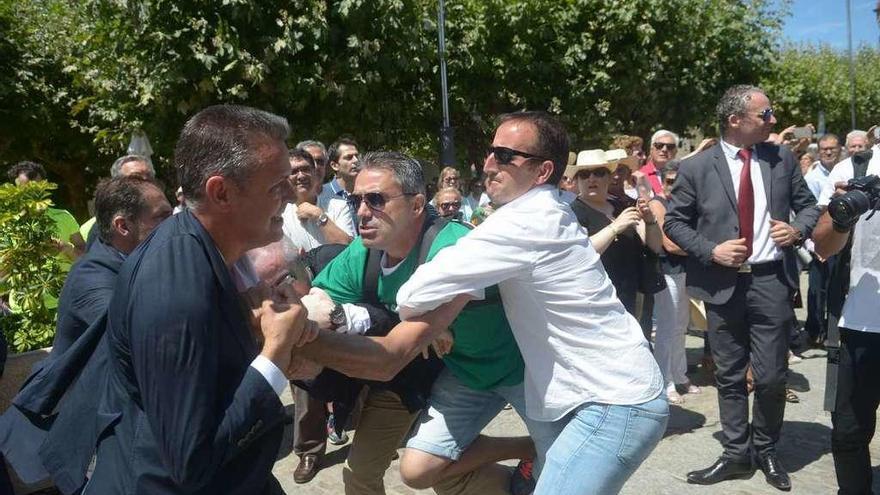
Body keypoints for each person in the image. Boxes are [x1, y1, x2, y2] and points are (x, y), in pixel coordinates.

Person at [295, 112, 668, 495]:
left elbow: (410, 298)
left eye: (505, 156)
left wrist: (427, 316)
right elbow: (323, 294)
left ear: (543, 172)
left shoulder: (519, 224)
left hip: (608, 400)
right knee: (422, 468)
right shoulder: (546, 210)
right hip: (564, 388)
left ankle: (537, 468)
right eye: (491, 152)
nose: (489, 164)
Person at [83, 104, 315, 494]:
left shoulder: (206, 252)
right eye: (277, 185)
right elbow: (192, 461)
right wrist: (275, 352)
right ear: (220, 192)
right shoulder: (174, 289)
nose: (292, 195)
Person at [296, 151, 532, 495]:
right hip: (459, 375)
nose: (362, 212)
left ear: (418, 204)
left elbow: (392, 354)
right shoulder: (366, 251)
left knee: (570, 463)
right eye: (356, 199)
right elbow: (318, 302)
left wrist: (286, 338)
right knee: (431, 474)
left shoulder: (455, 248)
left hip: (523, 371)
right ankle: (530, 452)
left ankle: (542, 457)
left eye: (376, 199)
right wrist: (301, 318)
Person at [664, 85, 819, 491]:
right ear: (736, 120)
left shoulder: (780, 158)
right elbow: (674, 223)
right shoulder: (698, 168)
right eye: (765, 113)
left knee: (770, 376)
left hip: (771, 280)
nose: (773, 119)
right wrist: (711, 250)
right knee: (730, 375)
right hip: (722, 284)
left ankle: (766, 449)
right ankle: (736, 453)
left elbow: (809, 206)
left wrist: (797, 230)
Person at [0, 176, 172, 488]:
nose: (173, 226)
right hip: (86, 433)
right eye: (162, 217)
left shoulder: (140, 262)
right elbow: (141, 329)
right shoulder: (92, 274)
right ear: (123, 226)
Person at [813, 138, 880, 495]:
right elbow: (822, 247)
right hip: (862, 322)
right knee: (849, 431)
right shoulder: (855, 168)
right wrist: (842, 217)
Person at [569, 149, 663, 318]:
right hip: (595, 300)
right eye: (584, 174)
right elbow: (579, 254)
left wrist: (650, 220)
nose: (591, 178)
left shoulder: (622, 208)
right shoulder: (573, 213)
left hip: (629, 294)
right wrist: (614, 228)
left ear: (609, 177)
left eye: (599, 173)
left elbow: (654, 247)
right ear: (576, 181)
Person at [647, 160, 701, 405]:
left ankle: (679, 375)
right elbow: (668, 243)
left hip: (684, 269)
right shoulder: (658, 203)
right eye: (669, 181)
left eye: (678, 181)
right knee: (666, 329)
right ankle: (665, 382)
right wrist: (705, 249)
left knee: (681, 326)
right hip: (665, 270)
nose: (673, 186)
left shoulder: (686, 202)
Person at [282, 148, 353, 250]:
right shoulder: (280, 215)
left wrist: (319, 215)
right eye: (294, 171)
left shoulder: (339, 207)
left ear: (315, 173)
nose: (301, 176)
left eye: (306, 169)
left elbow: (348, 248)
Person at [641, 130, 679, 197]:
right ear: (651, 149)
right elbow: (660, 196)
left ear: (676, 151)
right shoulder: (642, 174)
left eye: (670, 146)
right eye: (659, 145)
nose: (664, 149)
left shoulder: (682, 174)